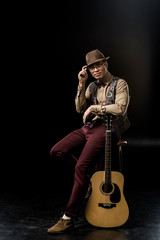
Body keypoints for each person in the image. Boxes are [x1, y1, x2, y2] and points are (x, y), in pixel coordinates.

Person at [47, 49, 130, 233]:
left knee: (80, 166)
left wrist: (95, 107)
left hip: (108, 129)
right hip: (89, 128)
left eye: (98, 65)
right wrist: (81, 83)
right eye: (91, 67)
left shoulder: (120, 83)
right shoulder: (91, 86)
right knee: (57, 151)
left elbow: (120, 109)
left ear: (105, 64)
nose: (95, 70)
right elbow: (79, 109)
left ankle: (68, 217)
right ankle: (87, 182)